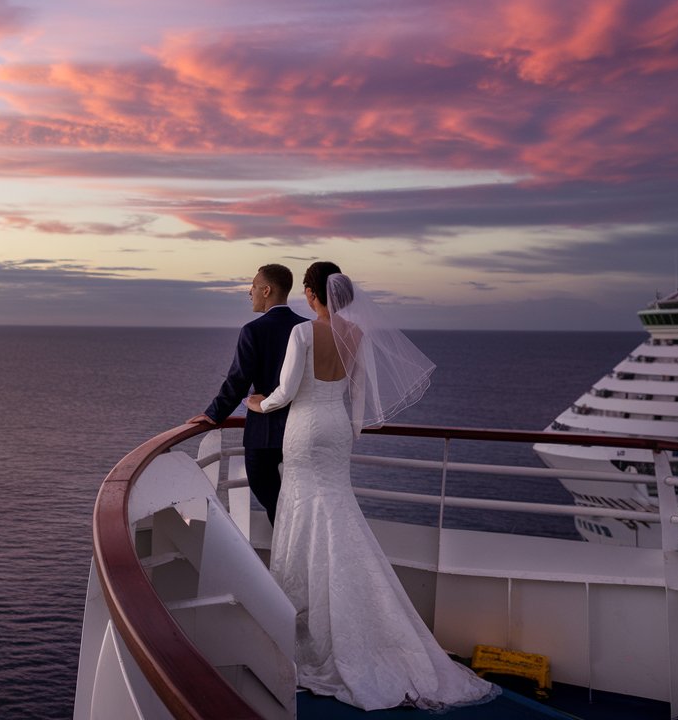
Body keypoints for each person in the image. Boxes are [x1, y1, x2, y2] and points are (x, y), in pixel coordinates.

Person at [247, 262, 497, 711]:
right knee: (338, 514)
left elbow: (284, 392)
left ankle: (303, 631)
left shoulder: (302, 335)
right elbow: (359, 396)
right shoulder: (356, 336)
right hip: (338, 431)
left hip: (304, 430)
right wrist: (350, 430)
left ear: (310, 293)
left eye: (306, 291)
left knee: (302, 513)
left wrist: (256, 403)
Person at [186, 263, 305, 526]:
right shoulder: (308, 328)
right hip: (302, 428)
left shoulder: (254, 330)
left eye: (252, 286)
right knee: (299, 498)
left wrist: (212, 414)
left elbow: (238, 381)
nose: (249, 292)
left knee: (270, 495)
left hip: (264, 432)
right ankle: (298, 546)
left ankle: (288, 550)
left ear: (266, 290)